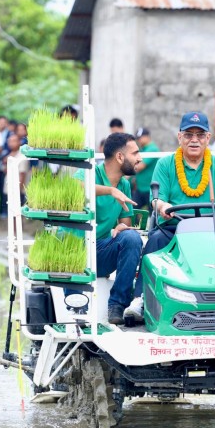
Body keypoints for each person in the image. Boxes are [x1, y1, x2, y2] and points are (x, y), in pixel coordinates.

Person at [128, 111, 215, 321]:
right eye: (189, 134)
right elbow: (156, 199)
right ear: (179, 137)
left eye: (200, 135)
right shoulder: (165, 164)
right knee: (155, 239)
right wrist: (162, 205)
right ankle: (141, 299)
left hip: (213, 229)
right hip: (174, 228)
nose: (194, 140)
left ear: (208, 138)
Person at [65, 132, 143, 324]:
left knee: (132, 238)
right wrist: (109, 190)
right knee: (77, 321)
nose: (139, 158)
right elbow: (76, 187)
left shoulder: (124, 184)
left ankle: (117, 305)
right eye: (135, 153)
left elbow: (126, 222)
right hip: (75, 255)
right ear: (119, 156)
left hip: (101, 250)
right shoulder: (90, 172)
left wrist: (121, 226)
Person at [132, 127, 160, 211]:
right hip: (140, 188)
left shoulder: (152, 149)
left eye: (140, 138)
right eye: (137, 138)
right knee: (133, 210)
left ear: (147, 136)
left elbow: (140, 166)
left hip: (150, 189)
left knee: (153, 214)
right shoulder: (142, 149)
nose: (138, 140)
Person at [2, 132, 29, 214]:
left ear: (19, 142)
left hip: (17, 190)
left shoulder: (22, 156)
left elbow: (22, 174)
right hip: (9, 188)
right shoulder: (9, 155)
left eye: (14, 141)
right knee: (11, 213)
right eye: (9, 141)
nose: (11, 143)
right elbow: (6, 171)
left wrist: (18, 191)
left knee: (16, 214)